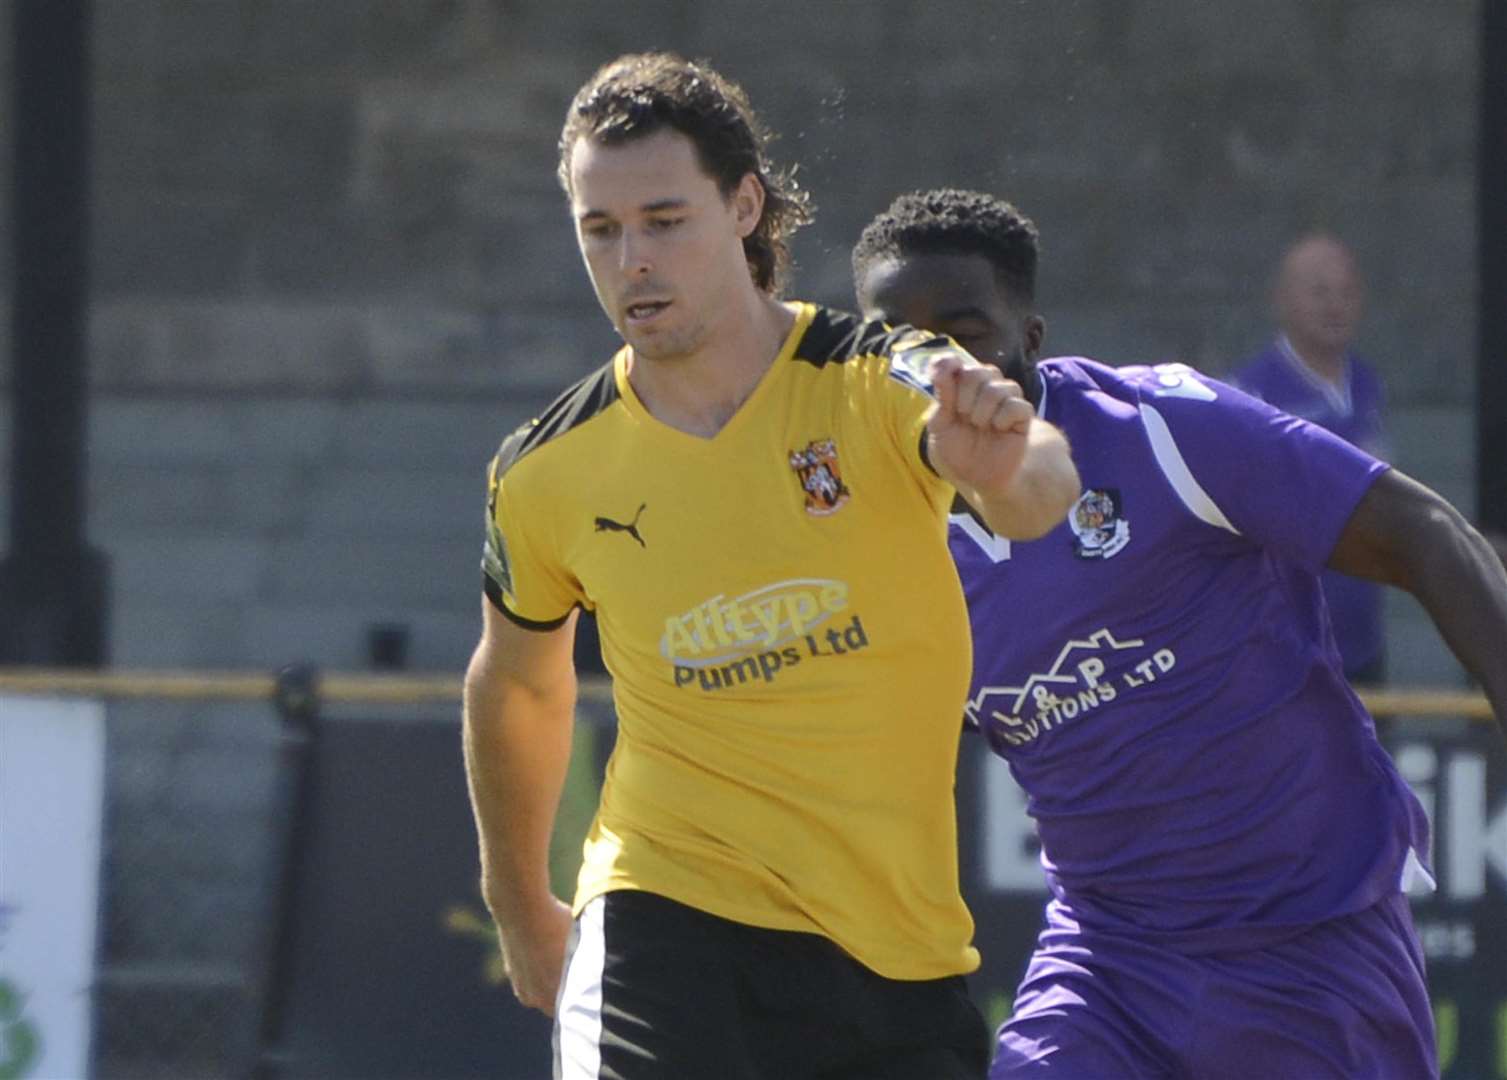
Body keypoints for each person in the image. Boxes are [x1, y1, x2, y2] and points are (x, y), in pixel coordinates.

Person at [462, 60, 1080, 1080]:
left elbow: (1040, 479)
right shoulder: (543, 470)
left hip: (895, 952)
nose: (633, 262)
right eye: (600, 230)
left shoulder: (878, 373)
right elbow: (519, 681)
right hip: (665, 917)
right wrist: (519, 899)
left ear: (744, 204)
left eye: (664, 220)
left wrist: (1003, 464)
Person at [852, 188, 1507, 1080]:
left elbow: (1426, 535)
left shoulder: (1163, 430)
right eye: (902, 340)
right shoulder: (873, 541)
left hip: (1311, 937)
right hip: (1107, 960)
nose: (942, 370)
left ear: (1031, 339)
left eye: (967, 332)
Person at [1231, 234, 1390, 683]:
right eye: (1320, 292)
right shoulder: (1249, 395)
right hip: (1286, 647)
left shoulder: (1366, 384)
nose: (1335, 305)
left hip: (1362, 641)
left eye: (1346, 292)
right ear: (1281, 299)